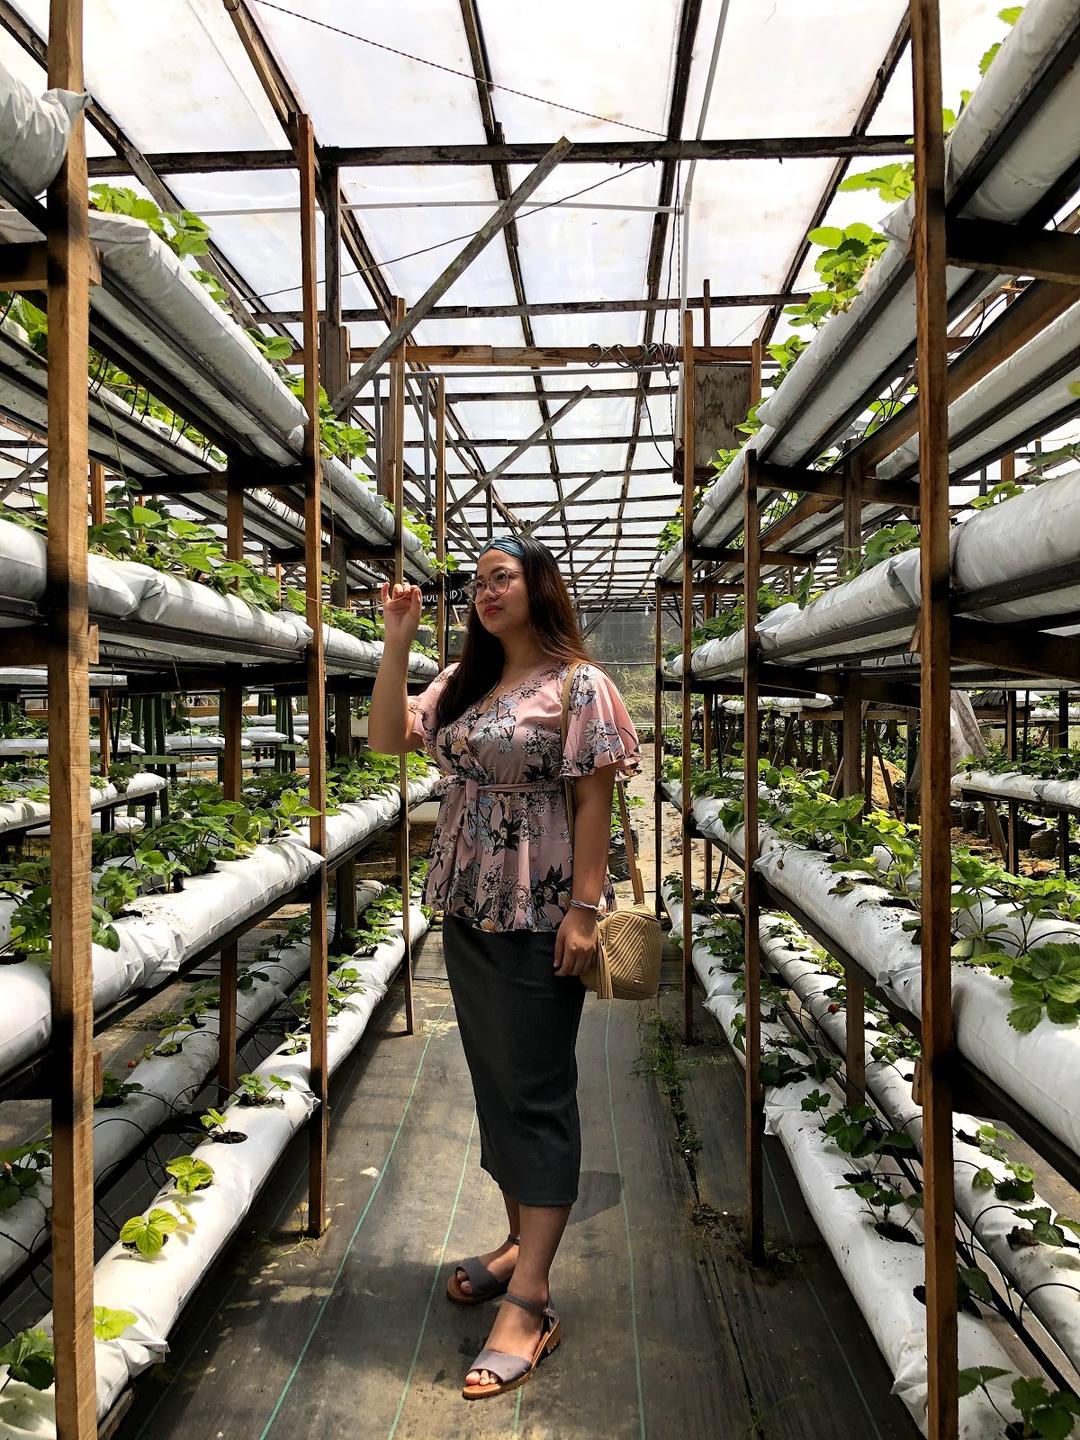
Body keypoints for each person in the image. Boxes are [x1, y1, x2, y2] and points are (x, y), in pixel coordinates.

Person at [368, 534, 640, 1401]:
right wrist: (399, 638)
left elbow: (597, 794)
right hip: (468, 905)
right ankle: (521, 1241)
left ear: (538, 589)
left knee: (535, 1089)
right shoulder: (464, 681)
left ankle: (531, 1301)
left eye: (502, 578)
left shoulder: (577, 684)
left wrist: (586, 910)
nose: (485, 592)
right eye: (476, 582)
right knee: (496, 1081)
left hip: (539, 906)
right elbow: (383, 738)